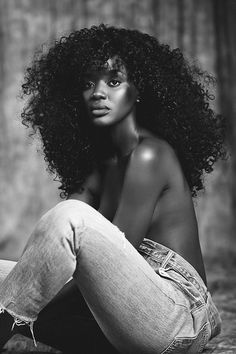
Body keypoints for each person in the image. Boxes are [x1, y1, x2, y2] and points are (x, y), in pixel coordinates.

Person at [0, 24, 225, 354]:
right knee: (16, 279)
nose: (97, 92)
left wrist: (23, 303)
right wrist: (24, 293)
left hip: (178, 317)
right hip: (123, 316)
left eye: (113, 81)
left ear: (139, 90)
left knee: (70, 217)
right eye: (88, 84)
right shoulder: (101, 164)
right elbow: (46, 262)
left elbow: (111, 251)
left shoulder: (150, 155)